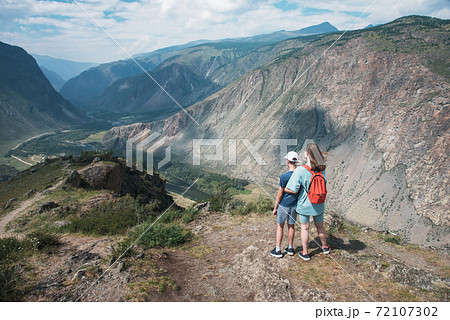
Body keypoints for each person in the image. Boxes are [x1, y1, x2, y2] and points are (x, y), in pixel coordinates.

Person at [284, 143, 330, 261]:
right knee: (320, 226)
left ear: (307, 154)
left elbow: (291, 189)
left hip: (304, 204)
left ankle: (305, 253)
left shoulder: (301, 170)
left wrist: (284, 189)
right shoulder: (322, 169)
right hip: (319, 203)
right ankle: (325, 247)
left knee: (305, 228)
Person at [270, 151, 299, 258]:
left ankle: (278, 249)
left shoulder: (284, 176)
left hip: (284, 205)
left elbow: (279, 194)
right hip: (294, 205)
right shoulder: (300, 175)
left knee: (280, 226)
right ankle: (290, 248)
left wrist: (275, 207)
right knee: (291, 226)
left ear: (287, 161)